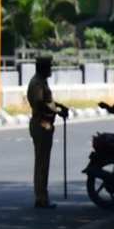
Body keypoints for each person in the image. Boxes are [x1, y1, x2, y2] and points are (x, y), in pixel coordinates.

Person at [27, 56, 69, 209]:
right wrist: (58, 111)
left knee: (43, 163)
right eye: (48, 66)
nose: (50, 69)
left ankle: (42, 196)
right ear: (42, 68)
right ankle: (41, 197)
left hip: (45, 123)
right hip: (41, 124)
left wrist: (59, 106)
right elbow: (41, 104)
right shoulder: (37, 83)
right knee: (42, 163)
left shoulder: (41, 81)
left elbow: (48, 101)